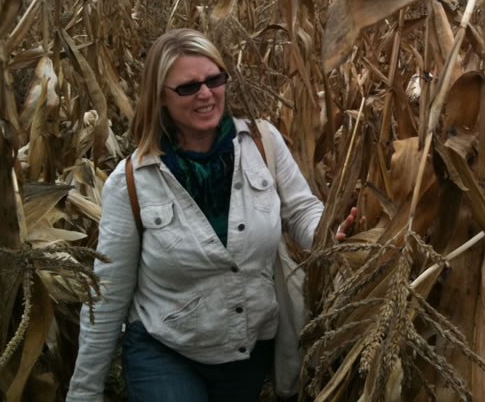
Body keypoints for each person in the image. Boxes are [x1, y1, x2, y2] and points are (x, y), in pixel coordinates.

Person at [66, 28, 360, 402]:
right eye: (188, 87)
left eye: (214, 80)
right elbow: (108, 294)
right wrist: (85, 391)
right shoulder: (132, 183)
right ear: (160, 97)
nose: (205, 94)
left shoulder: (263, 143)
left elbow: (301, 211)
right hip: (165, 348)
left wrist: (327, 232)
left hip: (246, 348)